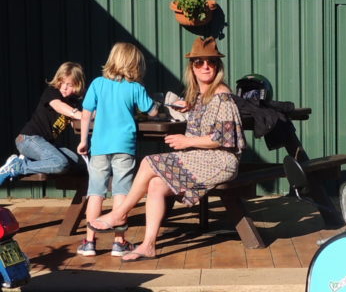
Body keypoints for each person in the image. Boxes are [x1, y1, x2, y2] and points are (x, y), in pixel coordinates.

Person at [89, 37, 246, 262]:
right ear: (191, 68)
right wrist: (186, 109)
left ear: (218, 67)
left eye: (210, 62)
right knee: (155, 184)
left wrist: (187, 141)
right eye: (198, 62)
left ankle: (119, 213)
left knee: (148, 162)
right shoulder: (202, 95)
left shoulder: (221, 95)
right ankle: (148, 245)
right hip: (199, 159)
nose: (205, 66)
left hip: (219, 161)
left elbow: (225, 138)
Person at [77, 42, 158, 257]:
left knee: (95, 193)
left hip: (99, 146)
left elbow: (86, 114)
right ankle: (119, 242)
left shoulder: (97, 84)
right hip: (124, 147)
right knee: (121, 192)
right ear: (135, 64)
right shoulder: (135, 87)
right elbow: (151, 112)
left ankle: (89, 242)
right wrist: (160, 104)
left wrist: (84, 140)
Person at [0, 62, 87, 186]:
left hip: (45, 144)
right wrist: (79, 114)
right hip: (28, 139)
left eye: (69, 84)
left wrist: (90, 116)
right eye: (61, 82)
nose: (64, 87)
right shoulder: (52, 92)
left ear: (78, 85)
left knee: (79, 164)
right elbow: (59, 106)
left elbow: (76, 124)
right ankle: (18, 166)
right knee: (59, 163)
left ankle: (26, 161)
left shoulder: (74, 103)